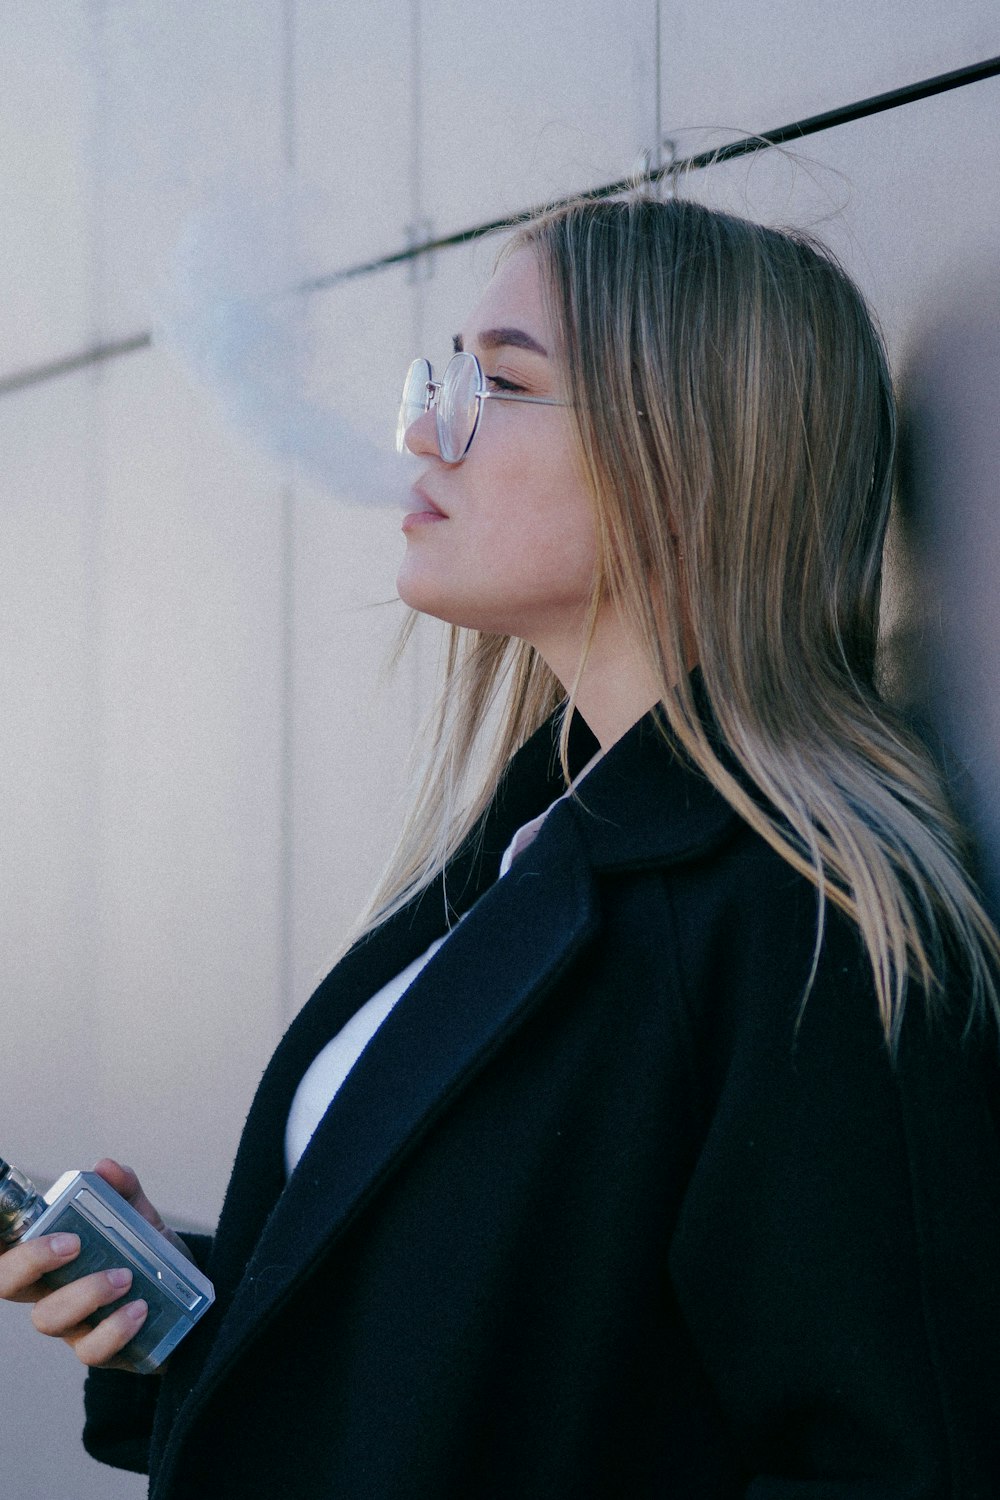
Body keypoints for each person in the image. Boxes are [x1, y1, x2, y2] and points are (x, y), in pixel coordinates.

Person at [3, 192, 1000, 1498]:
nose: (421, 430)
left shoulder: (807, 915)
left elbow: (882, 1463)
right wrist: (191, 1315)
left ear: (682, 454)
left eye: (497, 383)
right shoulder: (520, 857)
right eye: (440, 377)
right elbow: (515, 1361)